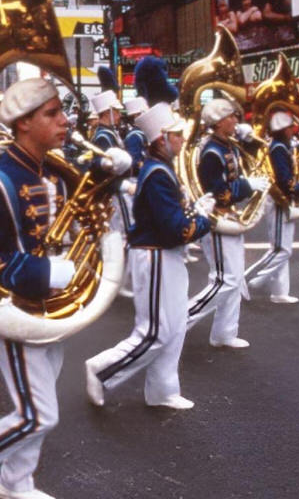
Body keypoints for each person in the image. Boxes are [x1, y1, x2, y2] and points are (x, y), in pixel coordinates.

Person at [0, 77, 129, 499]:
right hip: (14, 311)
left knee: (41, 403)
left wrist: (109, 179)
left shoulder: (49, 170)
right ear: (24, 123)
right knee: (39, 413)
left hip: (47, 309)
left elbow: (67, 223)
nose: (65, 121)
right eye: (52, 114)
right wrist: (44, 271)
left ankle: (15, 481)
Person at [84, 101, 214, 410]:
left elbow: (174, 218)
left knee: (176, 325)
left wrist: (195, 212)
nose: (182, 140)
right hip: (156, 255)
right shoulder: (157, 173)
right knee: (155, 331)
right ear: (162, 139)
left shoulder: (160, 168)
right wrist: (203, 220)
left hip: (164, 254)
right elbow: (175, 229)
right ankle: (101, 371)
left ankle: (163, 390)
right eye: (176, 135)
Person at [185, 95, 270, 348]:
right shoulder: (211, 151)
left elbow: (252, 160)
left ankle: (224, 333)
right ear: (219, 121)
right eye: (231, 116)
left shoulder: (227, 144)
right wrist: (247, 186)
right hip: (216, 219)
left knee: (234, 279)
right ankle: (181, 320)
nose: (236, 120)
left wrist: (251, 142)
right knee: (225, 280)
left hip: (228, 216)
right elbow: (218, 191)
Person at [245, 108, 299, 303]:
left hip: (281, 200)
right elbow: (284, 179)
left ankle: (279, 292)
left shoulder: (280, 146)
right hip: (279, 201)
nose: (292, 130)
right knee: (281, 249)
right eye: (289, 127)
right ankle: (247, 280)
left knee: (281, 248)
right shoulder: (278, 148)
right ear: (283, 129)